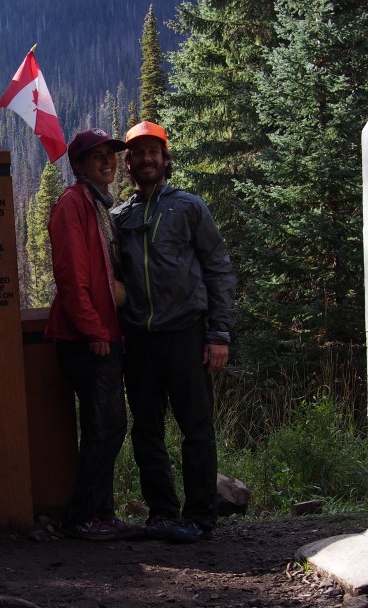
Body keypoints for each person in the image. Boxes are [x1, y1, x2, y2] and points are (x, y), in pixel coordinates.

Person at [111, 121, 237, 544]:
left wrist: (218, 334)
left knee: (196, 428)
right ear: (128, 164)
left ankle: (199, 516)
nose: (146, 160)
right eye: (137, 154)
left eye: (153, 152)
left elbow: (218, 268)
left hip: (186, 334)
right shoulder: (120, 217)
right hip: (139, 340)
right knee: (146, 429)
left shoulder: (188, 207)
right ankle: (162, 513)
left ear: (165, 159)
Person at [45, 128, 136, 541]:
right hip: (85, 339)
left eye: (111, 155)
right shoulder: (72, 203)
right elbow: (71, 277)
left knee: (104, 425)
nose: (108, 162)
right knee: (108, 426)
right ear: (79, 165)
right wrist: (94, 329)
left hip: (102, 334)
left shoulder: (97, 204)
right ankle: (80, 517)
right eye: (97, 156)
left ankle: (101, 514)